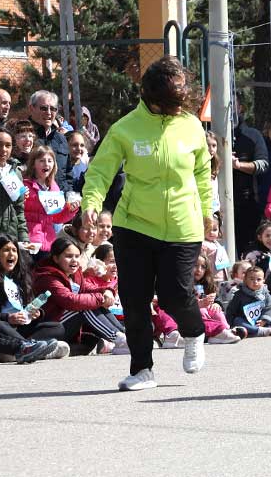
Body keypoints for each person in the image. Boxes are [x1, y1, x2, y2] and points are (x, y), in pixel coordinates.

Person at [81, 55, 213, 391]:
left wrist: (208, 212)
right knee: (134, 298)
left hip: (183, 226)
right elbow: (99, 172)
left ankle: (194, 331)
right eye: (170, 104)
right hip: (134, 225)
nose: (177, 109)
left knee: (174, 294)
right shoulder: (125, 129)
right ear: (151, 99)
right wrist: (91, 205)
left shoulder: (192, 125)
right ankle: (142, 369)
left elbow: (201, 172)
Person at [0, 234, 69, 360]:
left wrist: (37, 314)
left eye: (14, 250)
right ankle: (29, 349)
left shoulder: (21, 279)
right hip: (2, 327)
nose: (11, 254)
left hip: (21, 328)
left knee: (57, 327)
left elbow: (27, 306)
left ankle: (25, 349)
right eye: (6, 250)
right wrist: (8, 318)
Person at [33, 238, 124, 353]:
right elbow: (70, 301)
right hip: (50, 326)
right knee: (84, 306)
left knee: (91, 338)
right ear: (56, 258)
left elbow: (87, 289)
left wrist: (106, 291)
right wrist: (100, 298)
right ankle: (119, 340)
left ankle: (124, 335)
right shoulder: (47, 277)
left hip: (66, 324)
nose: (74, 260)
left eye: (77, 256)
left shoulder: (74, 274)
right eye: (69, 256)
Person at [23, 146, 80, 258]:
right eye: (42, 161)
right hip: (29, 242)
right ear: (33, 164)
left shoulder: (54, 187)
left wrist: (70, 209)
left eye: (50, 161)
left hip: (48, 243)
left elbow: (57, 218)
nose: (46, 164)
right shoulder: (25, 185)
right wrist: (21, 199)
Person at [231, 110, 270, 254]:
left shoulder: (252, 135)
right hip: (217, 203)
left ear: (240, 108)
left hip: (246, 201)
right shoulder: (211, 132)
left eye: (234, 103)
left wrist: (239, 165)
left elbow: (263, 164)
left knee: (247, 247)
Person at [0, 129, 29, 245]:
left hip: (9, 239)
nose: (3, 149)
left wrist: (24, 238)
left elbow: (19, 208)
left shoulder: (15, 172)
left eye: (8, 145)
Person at [226, 265, 271, 337]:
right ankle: (259, 330)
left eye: (259, 279)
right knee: (237, 320)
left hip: (262, 319)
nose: (255, 282)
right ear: (245, 280)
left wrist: (264, 319)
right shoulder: (239, 295)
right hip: (246, 321)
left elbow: (269, 307)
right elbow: (231, 310)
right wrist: (229, 323)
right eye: (251, 279)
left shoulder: (265, 293)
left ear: (263, 281)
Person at [27, 91, 71, 192]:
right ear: (31, 108)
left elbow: (68, 174)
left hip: (60, 201)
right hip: (32, 201)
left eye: (53, 109)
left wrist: (69, 194)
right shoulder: (21, 136)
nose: (49, 112)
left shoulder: (61, 139)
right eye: (44, 108)